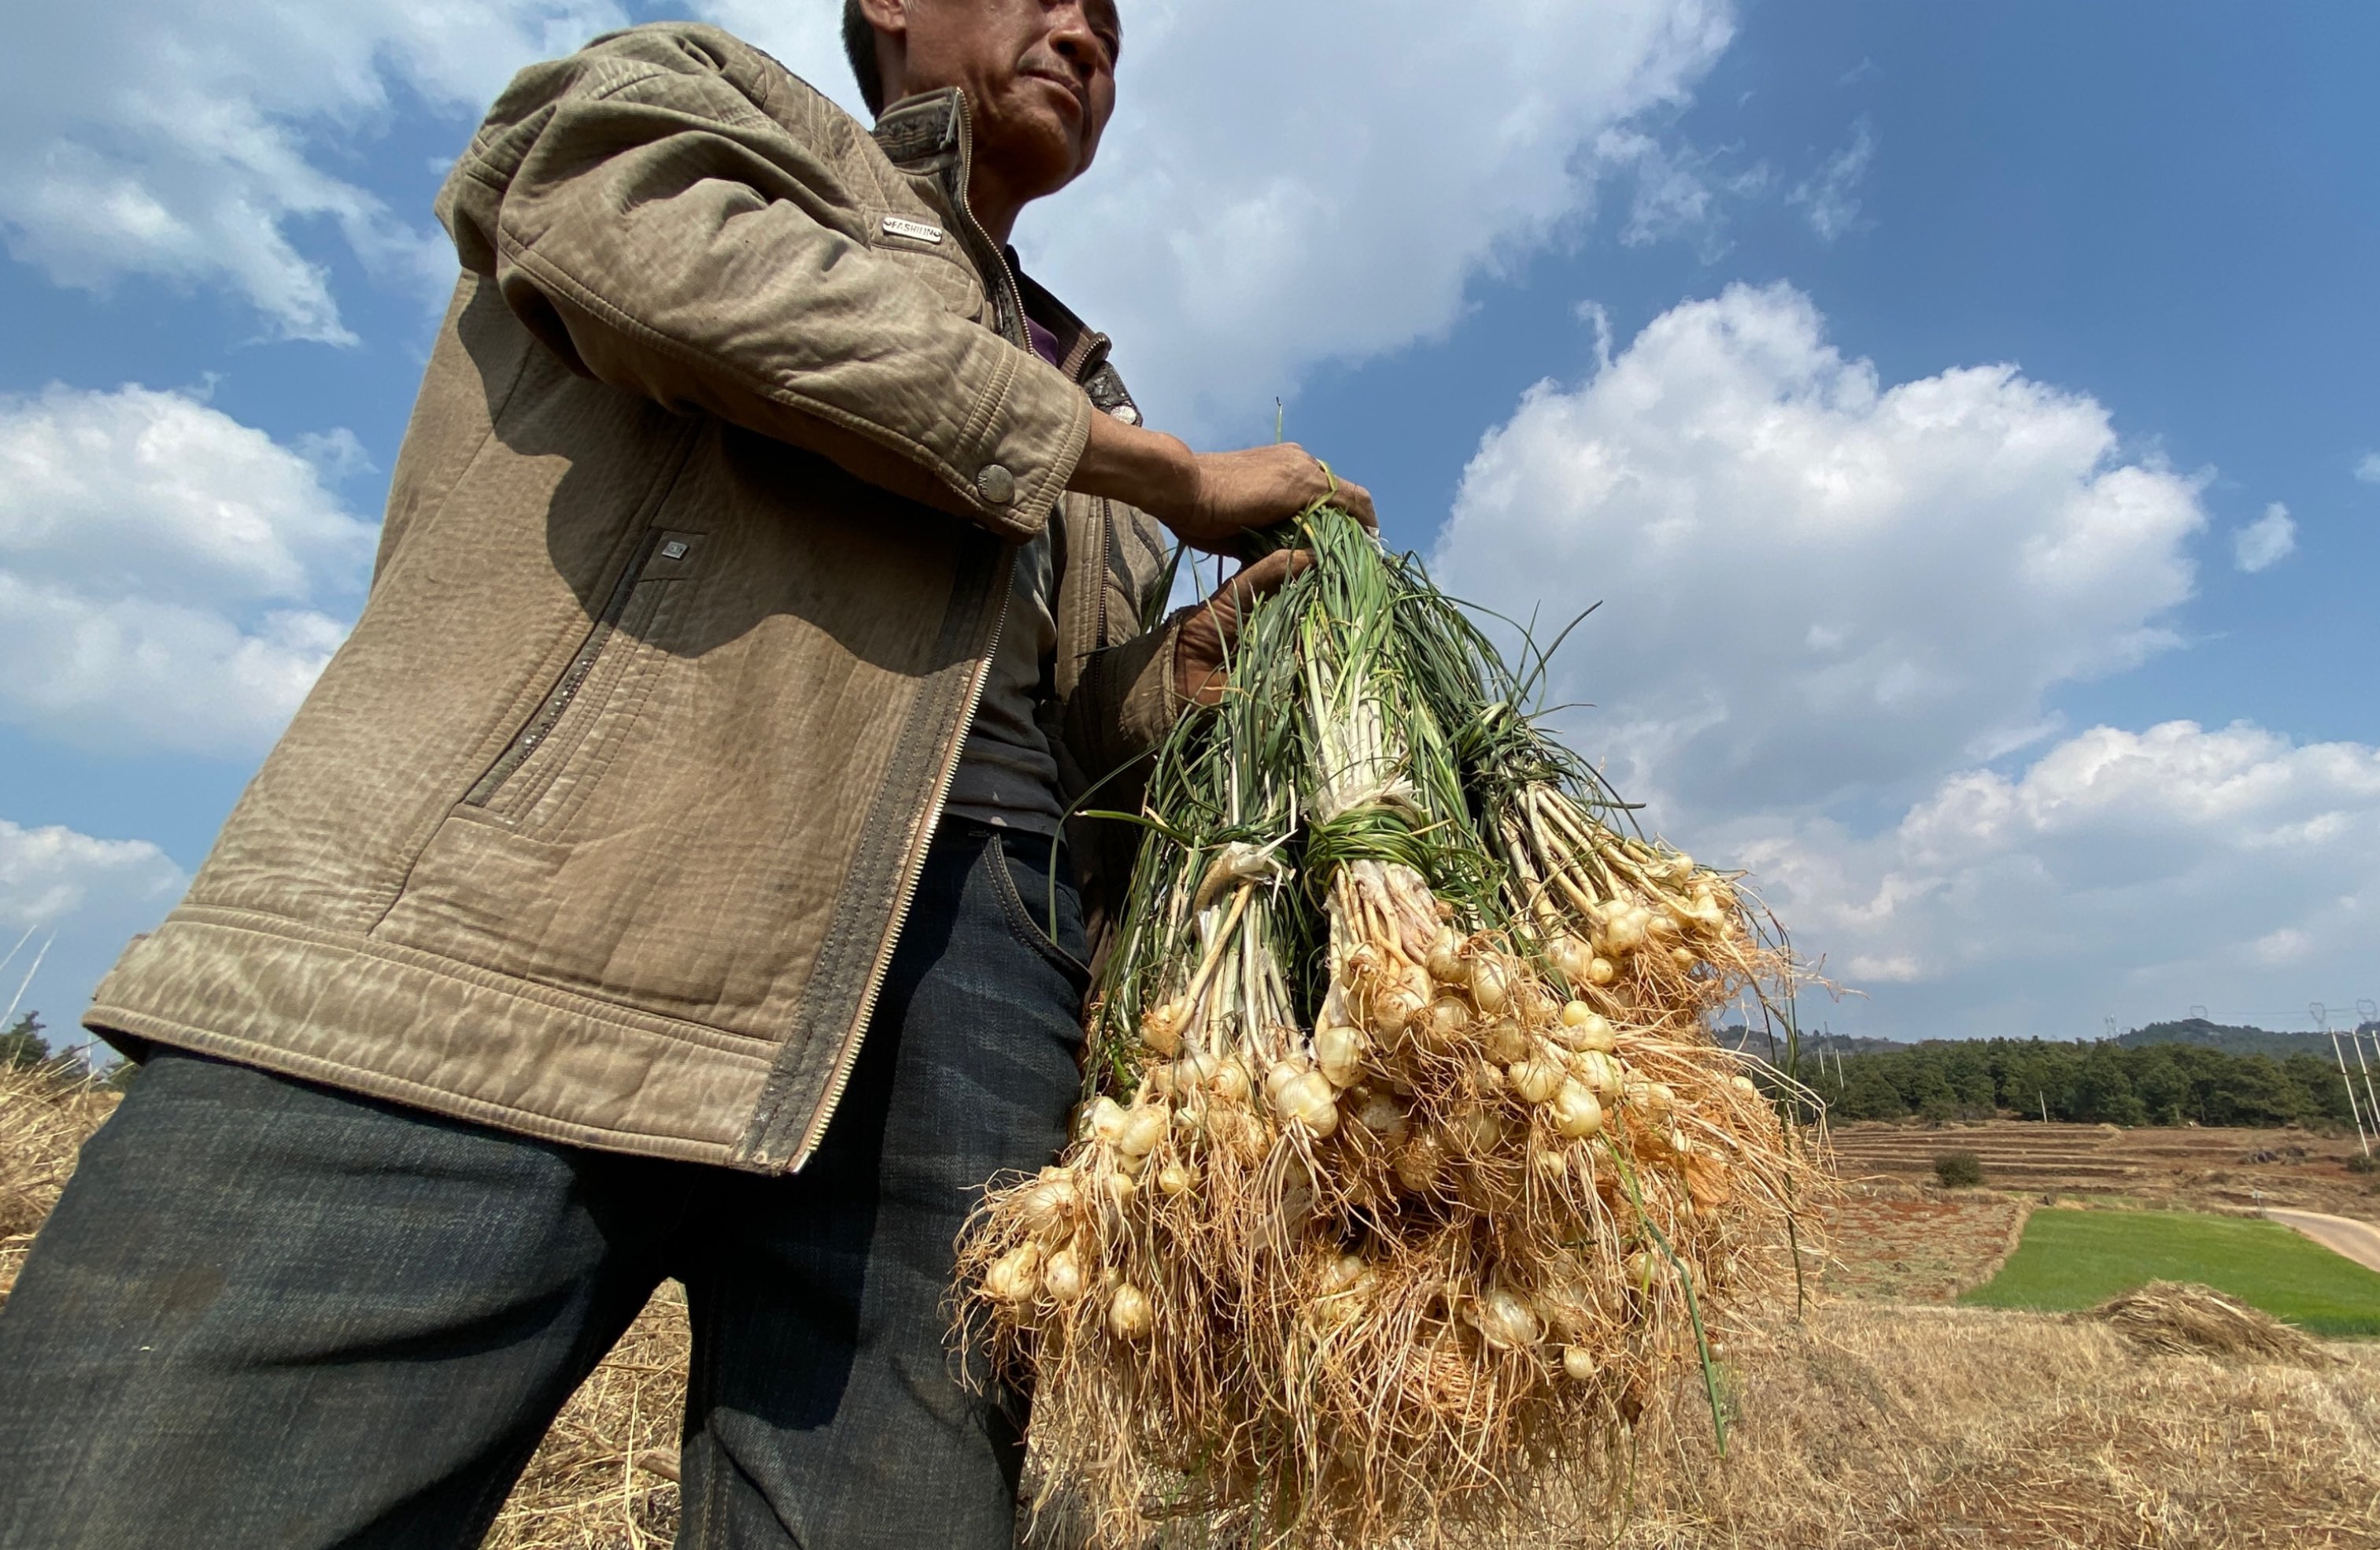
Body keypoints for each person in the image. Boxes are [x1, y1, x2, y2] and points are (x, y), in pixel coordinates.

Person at [0, 2, 1373, 1545]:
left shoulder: (1091, 389)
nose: (1081, 27)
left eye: (1113, 21)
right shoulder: (708, 102)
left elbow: (1073, 739)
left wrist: (1180, 680)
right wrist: (1165, 476)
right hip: (521, 929)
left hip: (983, 986)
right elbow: (662, 269)